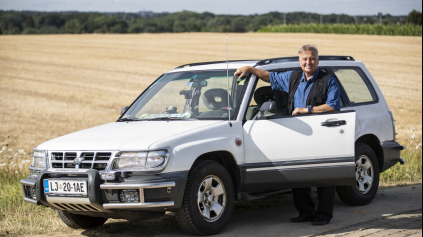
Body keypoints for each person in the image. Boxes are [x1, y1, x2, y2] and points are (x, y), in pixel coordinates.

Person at [234, 45, 340, 226]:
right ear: (300, 61)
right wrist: (250, 69)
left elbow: (333, 105)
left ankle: (323, 215)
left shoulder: (328, 79)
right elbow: (269, 77)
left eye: (312, 58)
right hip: (297, 133)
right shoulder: (293, 77)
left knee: (324, 175)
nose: (308, 62)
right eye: (305, 59)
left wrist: (307, 110)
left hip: (321, 133)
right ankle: (306, 212)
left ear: (317, 60)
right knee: (298, 173)